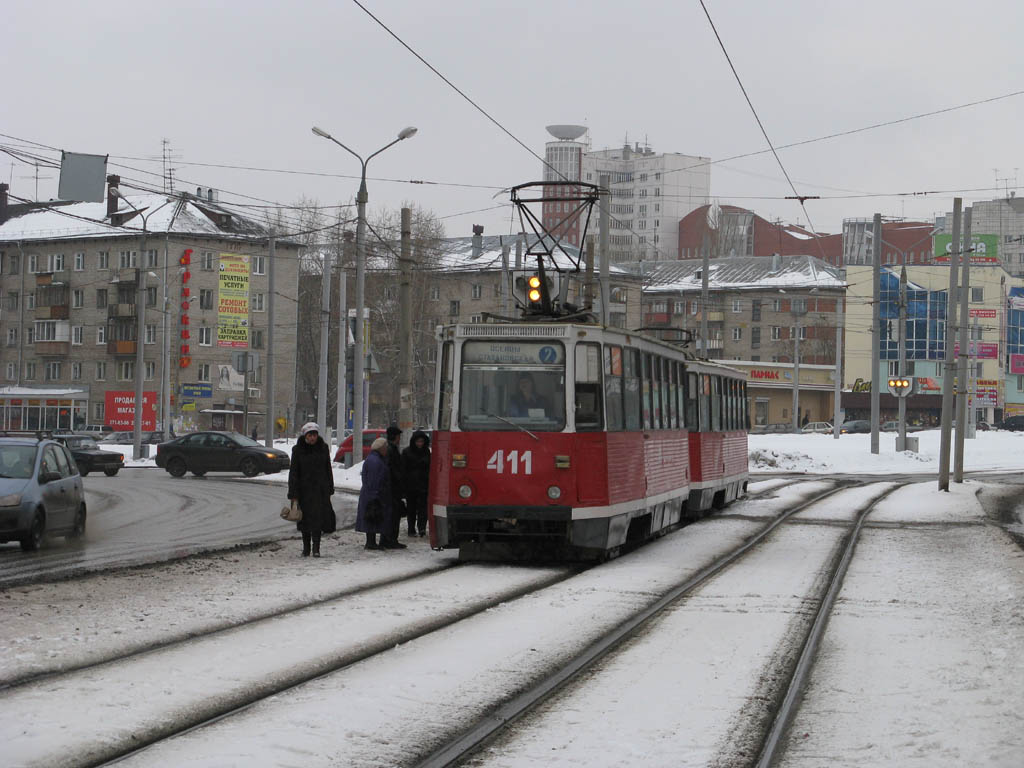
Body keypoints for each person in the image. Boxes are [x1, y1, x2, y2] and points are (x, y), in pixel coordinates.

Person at [287, 422, 336, 558]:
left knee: (318, 521)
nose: (312, 438)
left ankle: (316, 548)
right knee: (304, 521)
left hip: (320, 491)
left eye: (314, 435)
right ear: (305, 436)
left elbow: (328, 469)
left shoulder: (323, 448)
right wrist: (293, 494)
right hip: (304, 492)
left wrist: (329, 488)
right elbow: (294, 473)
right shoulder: (297, 450)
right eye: (310, 435)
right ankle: (306, 548)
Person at [356, 437, 392, 550]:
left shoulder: (374, 459)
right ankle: (370, 543)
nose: (387, 450)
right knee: (372, 516)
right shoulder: (375, 461)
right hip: (373, 495)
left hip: (372, 494)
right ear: (381, 448)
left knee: (372, 517)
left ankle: (371, 542)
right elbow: (373, 480)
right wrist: (375, 496)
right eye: (386, 447)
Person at [401, 430, 431, 537]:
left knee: (423, 509)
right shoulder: (407, 452)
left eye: (421, 441)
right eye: (418, 441)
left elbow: (429, 468)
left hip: (423, 485)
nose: (420, 444)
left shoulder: (426, 452)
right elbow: (403, 470)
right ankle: (411, 529)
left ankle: (422, 528)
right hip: (411, 486)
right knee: (411, 509)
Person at [382, 425, 408, 548]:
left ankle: (388, 539)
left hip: (392, 488)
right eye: (398, 436)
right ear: (395, 437)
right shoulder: (391, 450)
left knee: (391, 514)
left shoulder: (389, 448)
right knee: (393, 515)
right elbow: (393, 469)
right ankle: (391, 539)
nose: (399, 439)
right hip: (393, 488)